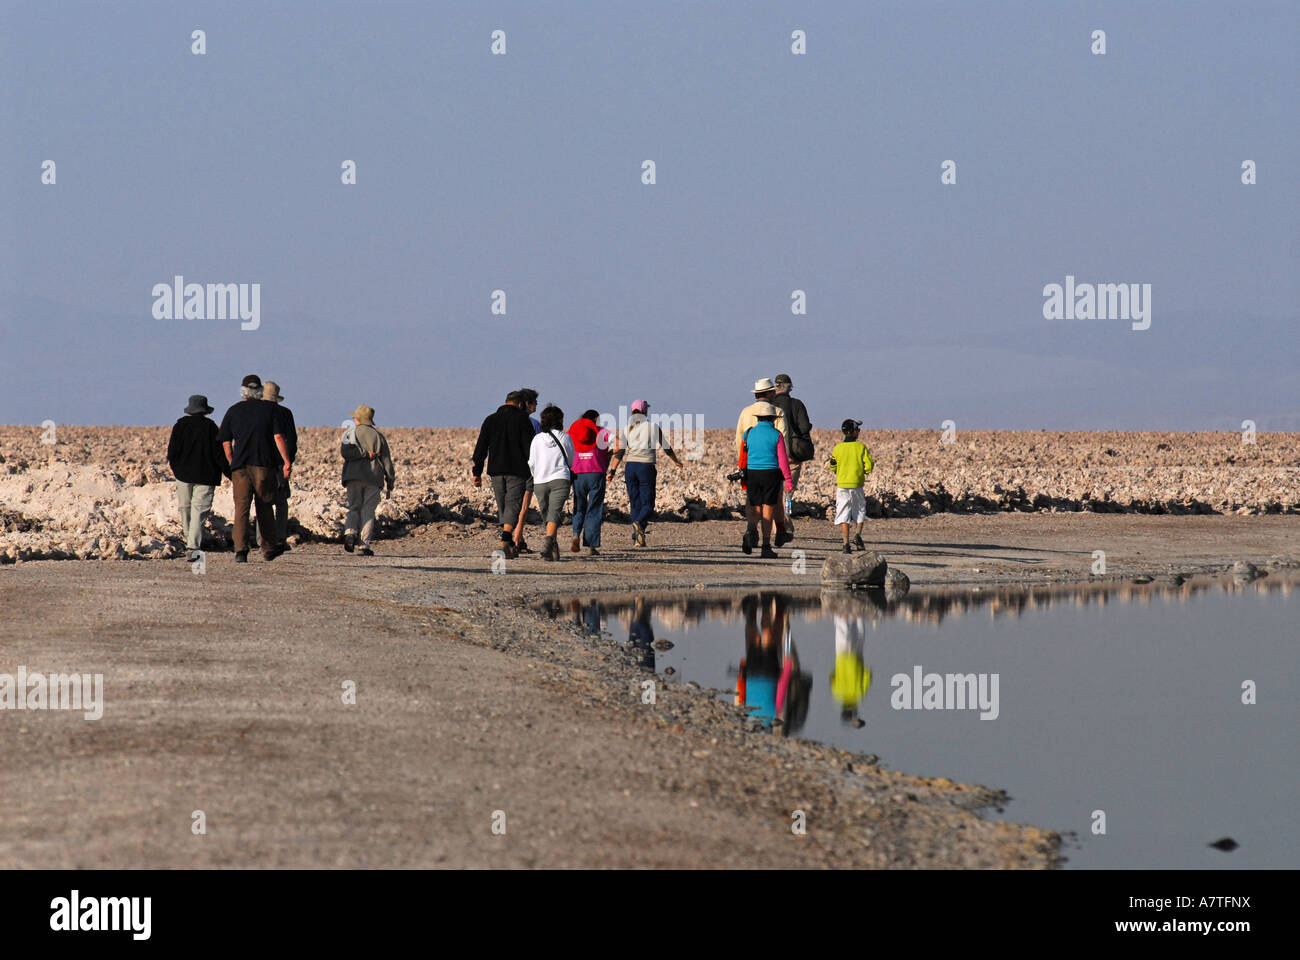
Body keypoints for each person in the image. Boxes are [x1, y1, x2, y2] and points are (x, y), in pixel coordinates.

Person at [217, 374, 292, 563]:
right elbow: (278, 438)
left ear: (242, 391)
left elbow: (226, 442)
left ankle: (240, 551)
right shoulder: (269, 410)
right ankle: (268, 549)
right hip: (263, 466)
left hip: (240, 467)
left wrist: (232, 461)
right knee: (264, 506)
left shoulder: (233, 411)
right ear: (259, 391)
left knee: (241, 508)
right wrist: (286, 461)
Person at [607, 399, 684, 547]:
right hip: (645, 467)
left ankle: (638, 538)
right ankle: (639, 524)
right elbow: (666, 448)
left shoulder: (627, 429)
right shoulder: (653, 427)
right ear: (644, 411)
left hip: (630, 468)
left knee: (635, 503)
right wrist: (676, 461)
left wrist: (612, 470)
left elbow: (620, 453)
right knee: (648, 503)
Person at [471, 391, 534, 559]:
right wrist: (534, 468)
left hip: (496, 470)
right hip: (517, 470)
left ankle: (510, 543)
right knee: (513, 504)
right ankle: (505, 540)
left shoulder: (490, 419)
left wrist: (477, 471)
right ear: (520, 404)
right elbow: (530, 448)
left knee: (503, 505)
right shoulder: (523, 420)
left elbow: (481, 448)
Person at [166, 394, 225, 562]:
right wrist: (228, 471)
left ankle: (190, 541)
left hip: (183, 474)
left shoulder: (180, 425)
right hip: (206, 476)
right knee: (199, 511)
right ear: (205, 411)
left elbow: (172, 451)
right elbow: (218, 454)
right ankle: (193, 544)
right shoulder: (211, 428)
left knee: (185, 507)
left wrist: (176, 468)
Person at [735, 378, 790, 551]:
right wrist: (785, 474)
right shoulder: (779, 412)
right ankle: (774, 536)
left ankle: (751, 531)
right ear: (768, 393)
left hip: (751, 467)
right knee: (773, 504)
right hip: (772, 468)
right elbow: (783, 443)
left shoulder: (745, 412)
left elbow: (739, 441)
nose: (775, 394)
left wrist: (744, 463)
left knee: (752, 504)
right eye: (773, 391)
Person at [340, 404, 395, 556]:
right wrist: (390, 480)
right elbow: (387, 461)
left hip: (353, 477)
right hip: (373, 477)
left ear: (357, 419)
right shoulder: (378, 436)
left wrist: (362, 453)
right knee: (368, 511)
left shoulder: (349, 433)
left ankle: (350, 532)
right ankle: (363, 545)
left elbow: (345, 453)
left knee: (354, 507)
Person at [527, 404, 575, 561]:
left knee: (549, 513)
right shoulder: (565, 437)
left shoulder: (537, 439)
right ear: (560, 420)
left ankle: (548, 545)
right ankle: (552, 546)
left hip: (540, 481)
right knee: (552, 514)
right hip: (560, 479)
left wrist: (536, 476)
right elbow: (571, 460)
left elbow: (532, 462)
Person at [771, 374, 813, 535]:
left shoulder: (769, 406)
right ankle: (785, 521)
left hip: (773, 455)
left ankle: (775, 524)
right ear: (789, 387)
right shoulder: (797, 405)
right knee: (788, 492)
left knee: (775, 491)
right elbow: (804, 428)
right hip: (792, 457)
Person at [568, 408, 612, 555]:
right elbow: (619, 444)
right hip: (596, 473)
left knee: (579, 506)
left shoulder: (573, 432)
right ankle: (591, 546)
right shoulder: (602, 431)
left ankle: (575, 536)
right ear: (596, 420)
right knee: (594, 509)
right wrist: (608, 455)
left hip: (578, 473)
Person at [828, 418, 874, 553]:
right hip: (857, 484)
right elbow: (869, 465)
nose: (859, 431)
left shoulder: (838, 448)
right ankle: (858, 535)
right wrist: (863, 472)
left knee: (843, 512)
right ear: (854, 432)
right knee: (859, 509)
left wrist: (839, 471)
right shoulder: (860, 447)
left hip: (842, 485)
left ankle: (845, 544)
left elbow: (832, 465)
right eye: (858, 429)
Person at [262, 380, 297, 550]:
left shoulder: (255, 411)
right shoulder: (285, 413)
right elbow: (291, 439)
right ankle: (280, 537)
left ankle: (261, 538)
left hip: (260, 462)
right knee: (281, 501)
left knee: (263, 500)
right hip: (279, 463)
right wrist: (288, 462)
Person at [511, 388, 542, 553]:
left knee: (511, 505)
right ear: (528, 404)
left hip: (511, 468)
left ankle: (517, 538)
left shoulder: (510, 421)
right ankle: (517, 538)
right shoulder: (534, 424)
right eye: (535, 403)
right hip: (528, 469)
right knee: (523, 506)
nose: (536, 406)